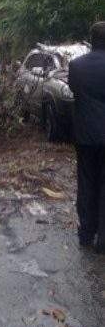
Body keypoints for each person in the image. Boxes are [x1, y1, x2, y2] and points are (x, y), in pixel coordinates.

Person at [69, 21, 105, 254]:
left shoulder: (76, 65)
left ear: (91, 39)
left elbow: (74, 91)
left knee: (87, 182)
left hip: (85, 135)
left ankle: (86, 233)